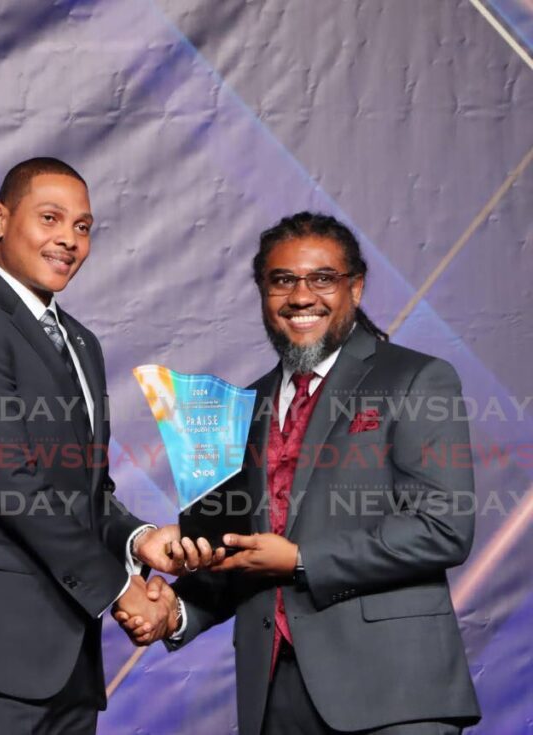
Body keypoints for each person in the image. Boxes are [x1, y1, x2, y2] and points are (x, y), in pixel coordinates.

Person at [119, 212, 481, 734]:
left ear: (354, 287)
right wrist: (174, 611)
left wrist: (302, 560)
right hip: (275, 696)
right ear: (264, 293)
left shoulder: (417, 379)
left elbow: (444, 528)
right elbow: (243, 552)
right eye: (282, 280)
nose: (301, 296)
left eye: (322, 278)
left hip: (395, 694)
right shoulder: (248, 404)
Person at [0, 157, 182, 734]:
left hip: (69, 662)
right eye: (50, 218)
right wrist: (120, 588)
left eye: (82, 227)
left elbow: (85, 491)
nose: (68, 240)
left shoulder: (80, 342)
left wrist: (140, 539)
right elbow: (12, 483)